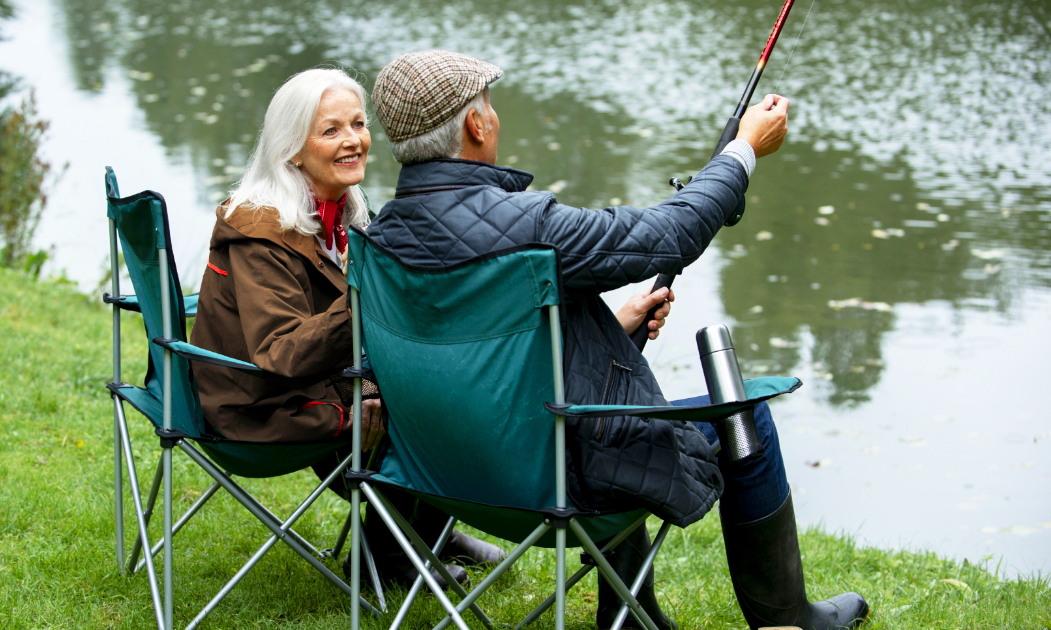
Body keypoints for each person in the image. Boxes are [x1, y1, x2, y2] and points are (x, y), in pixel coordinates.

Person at [365, 50, 870, 630]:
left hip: (443, 481)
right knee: (744, 419)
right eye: (490, 108)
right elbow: (669, 234)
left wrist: (613, 327)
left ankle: (629, 614)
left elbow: (481, 362)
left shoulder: (380, 239)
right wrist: (743, 152)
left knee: (611, 412)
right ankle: (789, 620)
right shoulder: (531, 228)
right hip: (556, 487)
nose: (494, 118)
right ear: (476, 125)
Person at [188, 67, 502, 587]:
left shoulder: (337, 210)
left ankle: (425, 531)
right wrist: (373, 290)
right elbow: (283, 353)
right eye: (331, 130)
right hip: (257, 407)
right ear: (292, 148)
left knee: (447, 378)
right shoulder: (262, 231)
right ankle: (390, 553)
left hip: (304, 383)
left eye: (358, 124)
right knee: (430, 407)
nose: (353, 140)